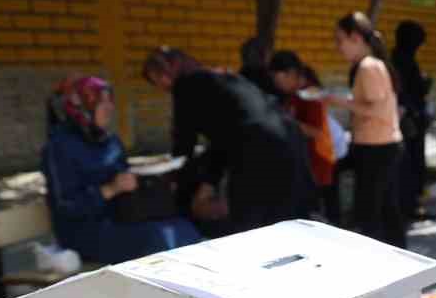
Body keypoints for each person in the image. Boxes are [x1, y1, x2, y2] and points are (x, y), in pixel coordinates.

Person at [142, 47, 317, 235]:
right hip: (288, 136)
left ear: (169, 70)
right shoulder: (218, 80)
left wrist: (179, 185)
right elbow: (224, 137)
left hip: (258, 146)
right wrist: (208, 183)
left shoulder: (185, 85)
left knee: (251, 228)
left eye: (158, 77)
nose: (161, 84)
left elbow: (184, 146)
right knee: (288, 225)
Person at [42, 74, 201, 263]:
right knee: (159, 238)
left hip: (121, 219)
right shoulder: (59, 146)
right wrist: (110, 189)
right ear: (82, 108)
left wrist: (150, 175)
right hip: (83, 232)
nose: (110, 108)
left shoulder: (110, 142)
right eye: (102, 103)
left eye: (111, 101)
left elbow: (124, 178)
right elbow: (66, 206)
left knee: (183, 227)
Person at [323, 12, 406, 248]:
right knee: (387, 211)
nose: (338, 47)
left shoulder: (368, 66)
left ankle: (383, 268)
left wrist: (338, 101)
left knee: (371, 215)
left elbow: (378, 109)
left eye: (340, 40)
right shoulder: (371, 65)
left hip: (376, 148)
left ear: (356, 37)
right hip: (379, 146)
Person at [268, 51, 341, 225]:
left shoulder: (310, 95)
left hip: (318, 162)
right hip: (304, 163)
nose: (276, 84)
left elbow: (316, 132)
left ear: (290, 74)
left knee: (315, 218)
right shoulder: (292, 95)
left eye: (278, 79)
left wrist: (282, 119)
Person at [391, 20, 434, 225]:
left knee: (413, 164)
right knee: (409, 164)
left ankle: (413, 205)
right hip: (409, 122)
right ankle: (408, 207)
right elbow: (404, 92)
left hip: (413, 120)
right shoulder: (401, 61)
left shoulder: (402, 58)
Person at [239, 37, 283, 102]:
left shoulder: (240, 77)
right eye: (269, 52)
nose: (272, 56)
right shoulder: (268, 80)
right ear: (262, 55)